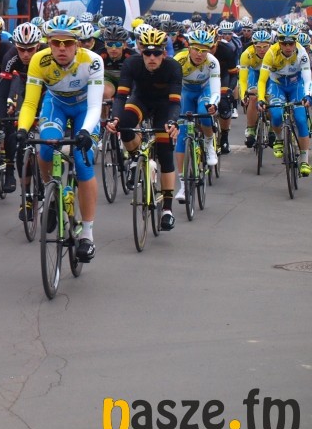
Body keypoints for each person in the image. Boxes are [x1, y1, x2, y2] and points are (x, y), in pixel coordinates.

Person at [15, 15, 103, 262]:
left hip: (85, 109)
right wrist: (22, 129)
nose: (62, 48)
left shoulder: (92, 61)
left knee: (82, 162)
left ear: (77, 43)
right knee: (46, 148)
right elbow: (30, 102)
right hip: (56, 105)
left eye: (67, 43)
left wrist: (84, 132)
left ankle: (87, 235)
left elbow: (95, 106)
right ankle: (50, 193)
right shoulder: (38, 60)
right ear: (49, 43)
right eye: (56, 43)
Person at [106, 28, 182, 232]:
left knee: (165, 151)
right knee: (124, 124)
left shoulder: (173, 67)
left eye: (156, 53)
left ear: (164, 53)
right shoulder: (132, 64)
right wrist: (115, 117)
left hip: (164, 106)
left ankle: (167, 209)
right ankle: (135, 158)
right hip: (140, 101)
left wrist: (173, 122)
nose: (152, 57)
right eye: (147, 53)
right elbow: (121, 96)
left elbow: (175, 103)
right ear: (141, 52)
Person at [0, 22, 43, 200]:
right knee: (16, 134)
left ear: (38, 45)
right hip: (24, 89)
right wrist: (0, 118)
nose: (25, 54)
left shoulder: (47, 54)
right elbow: (2, 91)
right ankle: (24, 192)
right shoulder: (10, 57)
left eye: (30, 49)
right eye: (21, 49)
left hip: (45, 89)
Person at [173, 30, 221, 204]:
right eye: (196, 49)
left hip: (204, 91)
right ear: (189, 48)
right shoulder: (178, 60)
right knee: (181, 136)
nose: (200, 54)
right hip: (186, 93)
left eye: (204, 50)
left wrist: (213, 104)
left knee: (205, 112)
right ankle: (183, 185)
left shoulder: (212, 62)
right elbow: (172, 87)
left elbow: (215, 89)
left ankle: (208, 143)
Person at [257, 23, 312, 176]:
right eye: (284, 43)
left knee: (301, 120)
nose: (288, 47)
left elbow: (307, 78)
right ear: (279, 42)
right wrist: (261, 99)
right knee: (275, 115)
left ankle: (304, 160)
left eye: (291, 43)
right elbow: (262, 80)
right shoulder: (271, 53)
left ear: (295, 42)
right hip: (277, 85)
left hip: (296, 86)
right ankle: (279, 138)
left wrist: (308, 95)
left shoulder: (302, 53)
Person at [239, 29, 272, 147]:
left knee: (272, 98)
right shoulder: (246, 54)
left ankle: (272, 128)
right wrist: (243, 95)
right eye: (258, 47)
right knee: (253, 97)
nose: (262, 50)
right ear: (253, 45)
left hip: (270, 75)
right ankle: (251, 128)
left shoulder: (274, 53)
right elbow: (243, 79)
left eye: (265, 47)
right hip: (254, 74)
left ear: (270, 45)